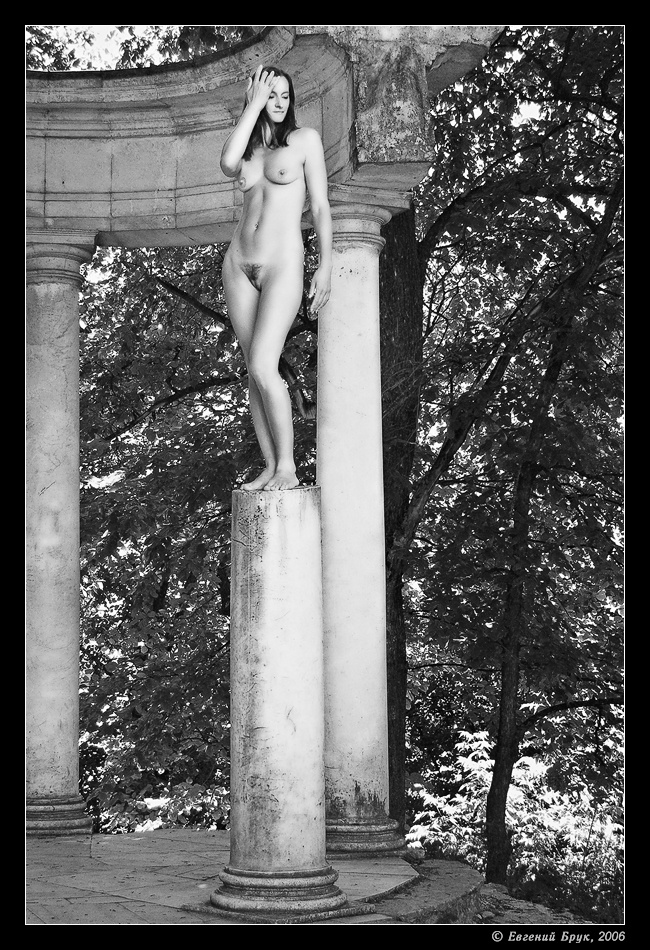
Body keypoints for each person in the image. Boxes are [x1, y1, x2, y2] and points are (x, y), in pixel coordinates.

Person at [220, 64, 333, 491]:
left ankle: (288, 466)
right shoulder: (248, 149)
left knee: (265, 364)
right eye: (272, 94)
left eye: (285, 94)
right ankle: (269, 466)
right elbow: (227, 163)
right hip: (239, 265)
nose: (280, 102)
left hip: (283, 264)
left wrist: (325, 264)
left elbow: (319, 206)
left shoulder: (304, 141)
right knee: (253, 370)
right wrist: (251, 106)